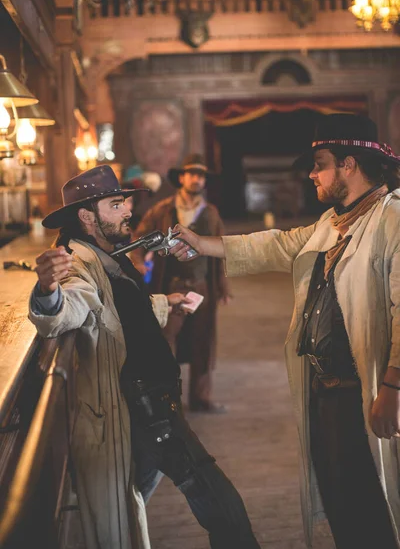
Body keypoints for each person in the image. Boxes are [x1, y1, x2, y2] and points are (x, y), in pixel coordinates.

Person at [169, 114, 400, 549]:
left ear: (349, 164)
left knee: (373, 502)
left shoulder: (392, 219)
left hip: (365, 390)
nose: (312, 173)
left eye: (319, 163)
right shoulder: (333, 221)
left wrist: (392, 384)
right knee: (339, 498)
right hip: (325, 390)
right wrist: (203, 245)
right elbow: (276, 244)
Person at [28, 165, 260, 549]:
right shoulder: (75, 264)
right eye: (116, 205)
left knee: (128, 499)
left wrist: (163, 303)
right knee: (220, 503)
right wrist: (47, 287)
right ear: (88, 215)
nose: (127, 212)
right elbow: (63, 313)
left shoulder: (102, 254)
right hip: (148, 411)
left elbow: (115, 312)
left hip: (149, 404)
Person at [132, 154, 231, 413]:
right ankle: (167, 399)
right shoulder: (163, 210)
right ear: (182, 178)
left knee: (203, 341)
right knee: (166, 341)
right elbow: (140, 237)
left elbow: (222, 250)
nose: (197, 179)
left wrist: (223, 286)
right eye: (192, 174)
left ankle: (200, 398)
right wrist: (139, 261)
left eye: (202, 175)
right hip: (171, 285)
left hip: (202, 287)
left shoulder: (210, 213)